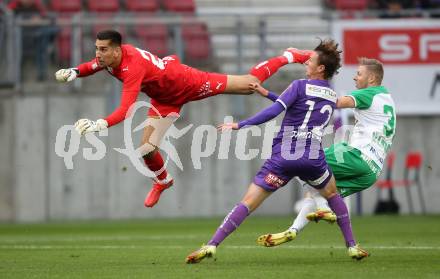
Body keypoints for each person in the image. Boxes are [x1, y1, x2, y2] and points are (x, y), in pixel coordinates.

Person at [54, 29, 313, 208]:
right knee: (146, 149)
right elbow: (92, 66)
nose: (97, 55)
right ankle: (163, 181)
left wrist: (99, 124)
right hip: (164, 99)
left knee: (251, 83)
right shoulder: (110, 58)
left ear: (117, 50)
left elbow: (124, 111)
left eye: (102, 49)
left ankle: (289, 55)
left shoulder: (132, 68)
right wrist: (75, 71)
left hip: (189, 83)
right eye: (96, 49)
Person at [185, 39, 368, 263]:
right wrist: (266, 92)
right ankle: (352, 246)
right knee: (332, 195)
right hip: (312, 158)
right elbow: (300, 106)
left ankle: (212, 245)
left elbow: (275, 111)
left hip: (284, 156)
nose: (306, 63)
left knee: (247, 203)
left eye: (310, 61)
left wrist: (239, 125)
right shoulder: (331, 94)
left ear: (321, 68)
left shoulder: (299, 85)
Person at [256, 58, 396, 253]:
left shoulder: (367, 94)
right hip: (371, 172)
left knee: (300, 160)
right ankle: (294, 231)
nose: (355, 77)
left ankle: (326, 208)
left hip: (356, 155)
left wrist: (273, 96)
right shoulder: (386, 98)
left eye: (359, 73)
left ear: (371, 78)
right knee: (317, 191)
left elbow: (327, 102)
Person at [8, 0, 59, 81]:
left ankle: (41, 74)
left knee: (43, 41)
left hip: (35, 36)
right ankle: (16, 77)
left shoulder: (36, 4)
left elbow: (46, 17)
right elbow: (7, 17)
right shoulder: (15, 5)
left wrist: (39, 18)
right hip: (17, 38)